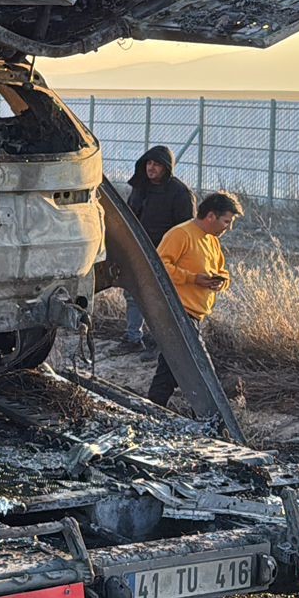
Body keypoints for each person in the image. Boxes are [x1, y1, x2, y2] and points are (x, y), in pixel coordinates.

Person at [146, 191, 243, 406]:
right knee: (201, 367)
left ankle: (154, 406)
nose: (228, 227)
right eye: (227, 221)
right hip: (177, 311)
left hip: (195, 314)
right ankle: (213, 413)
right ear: (210, 216)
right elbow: (159, 266)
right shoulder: (181, 234)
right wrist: (192, 279)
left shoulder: (212, 241)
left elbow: (221, 271)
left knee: (171, 367)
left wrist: (220, 281)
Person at [113, 145, 195, 354]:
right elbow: (130, 217)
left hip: (165, 256)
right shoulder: (141, 186)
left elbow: (186, 229)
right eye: (149, 163)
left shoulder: (180, 193)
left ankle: (164, 346)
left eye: (157, 164)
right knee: (133, 294)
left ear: (166, 168)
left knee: (163, 300)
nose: (151, 168)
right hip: (138, 250)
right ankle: (133, 338)